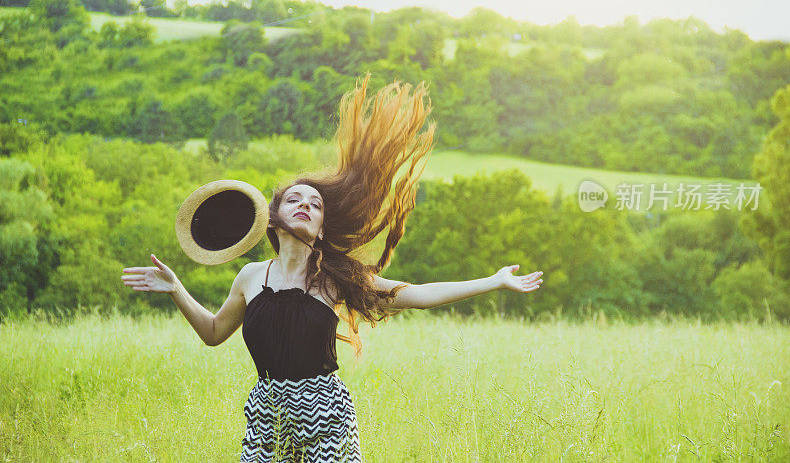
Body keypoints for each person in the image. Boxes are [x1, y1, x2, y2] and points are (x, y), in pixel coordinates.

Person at [121, 73, 544, 462]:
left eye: (315, 204)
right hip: (266, 416)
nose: (305, 204)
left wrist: (494, 281)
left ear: (321, 230)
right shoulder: (250, 278)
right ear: (273, 218)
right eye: (294, 200)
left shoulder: (336, 279)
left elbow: (417, 296)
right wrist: (177, 288)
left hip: (326, 416)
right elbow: (214, 334)